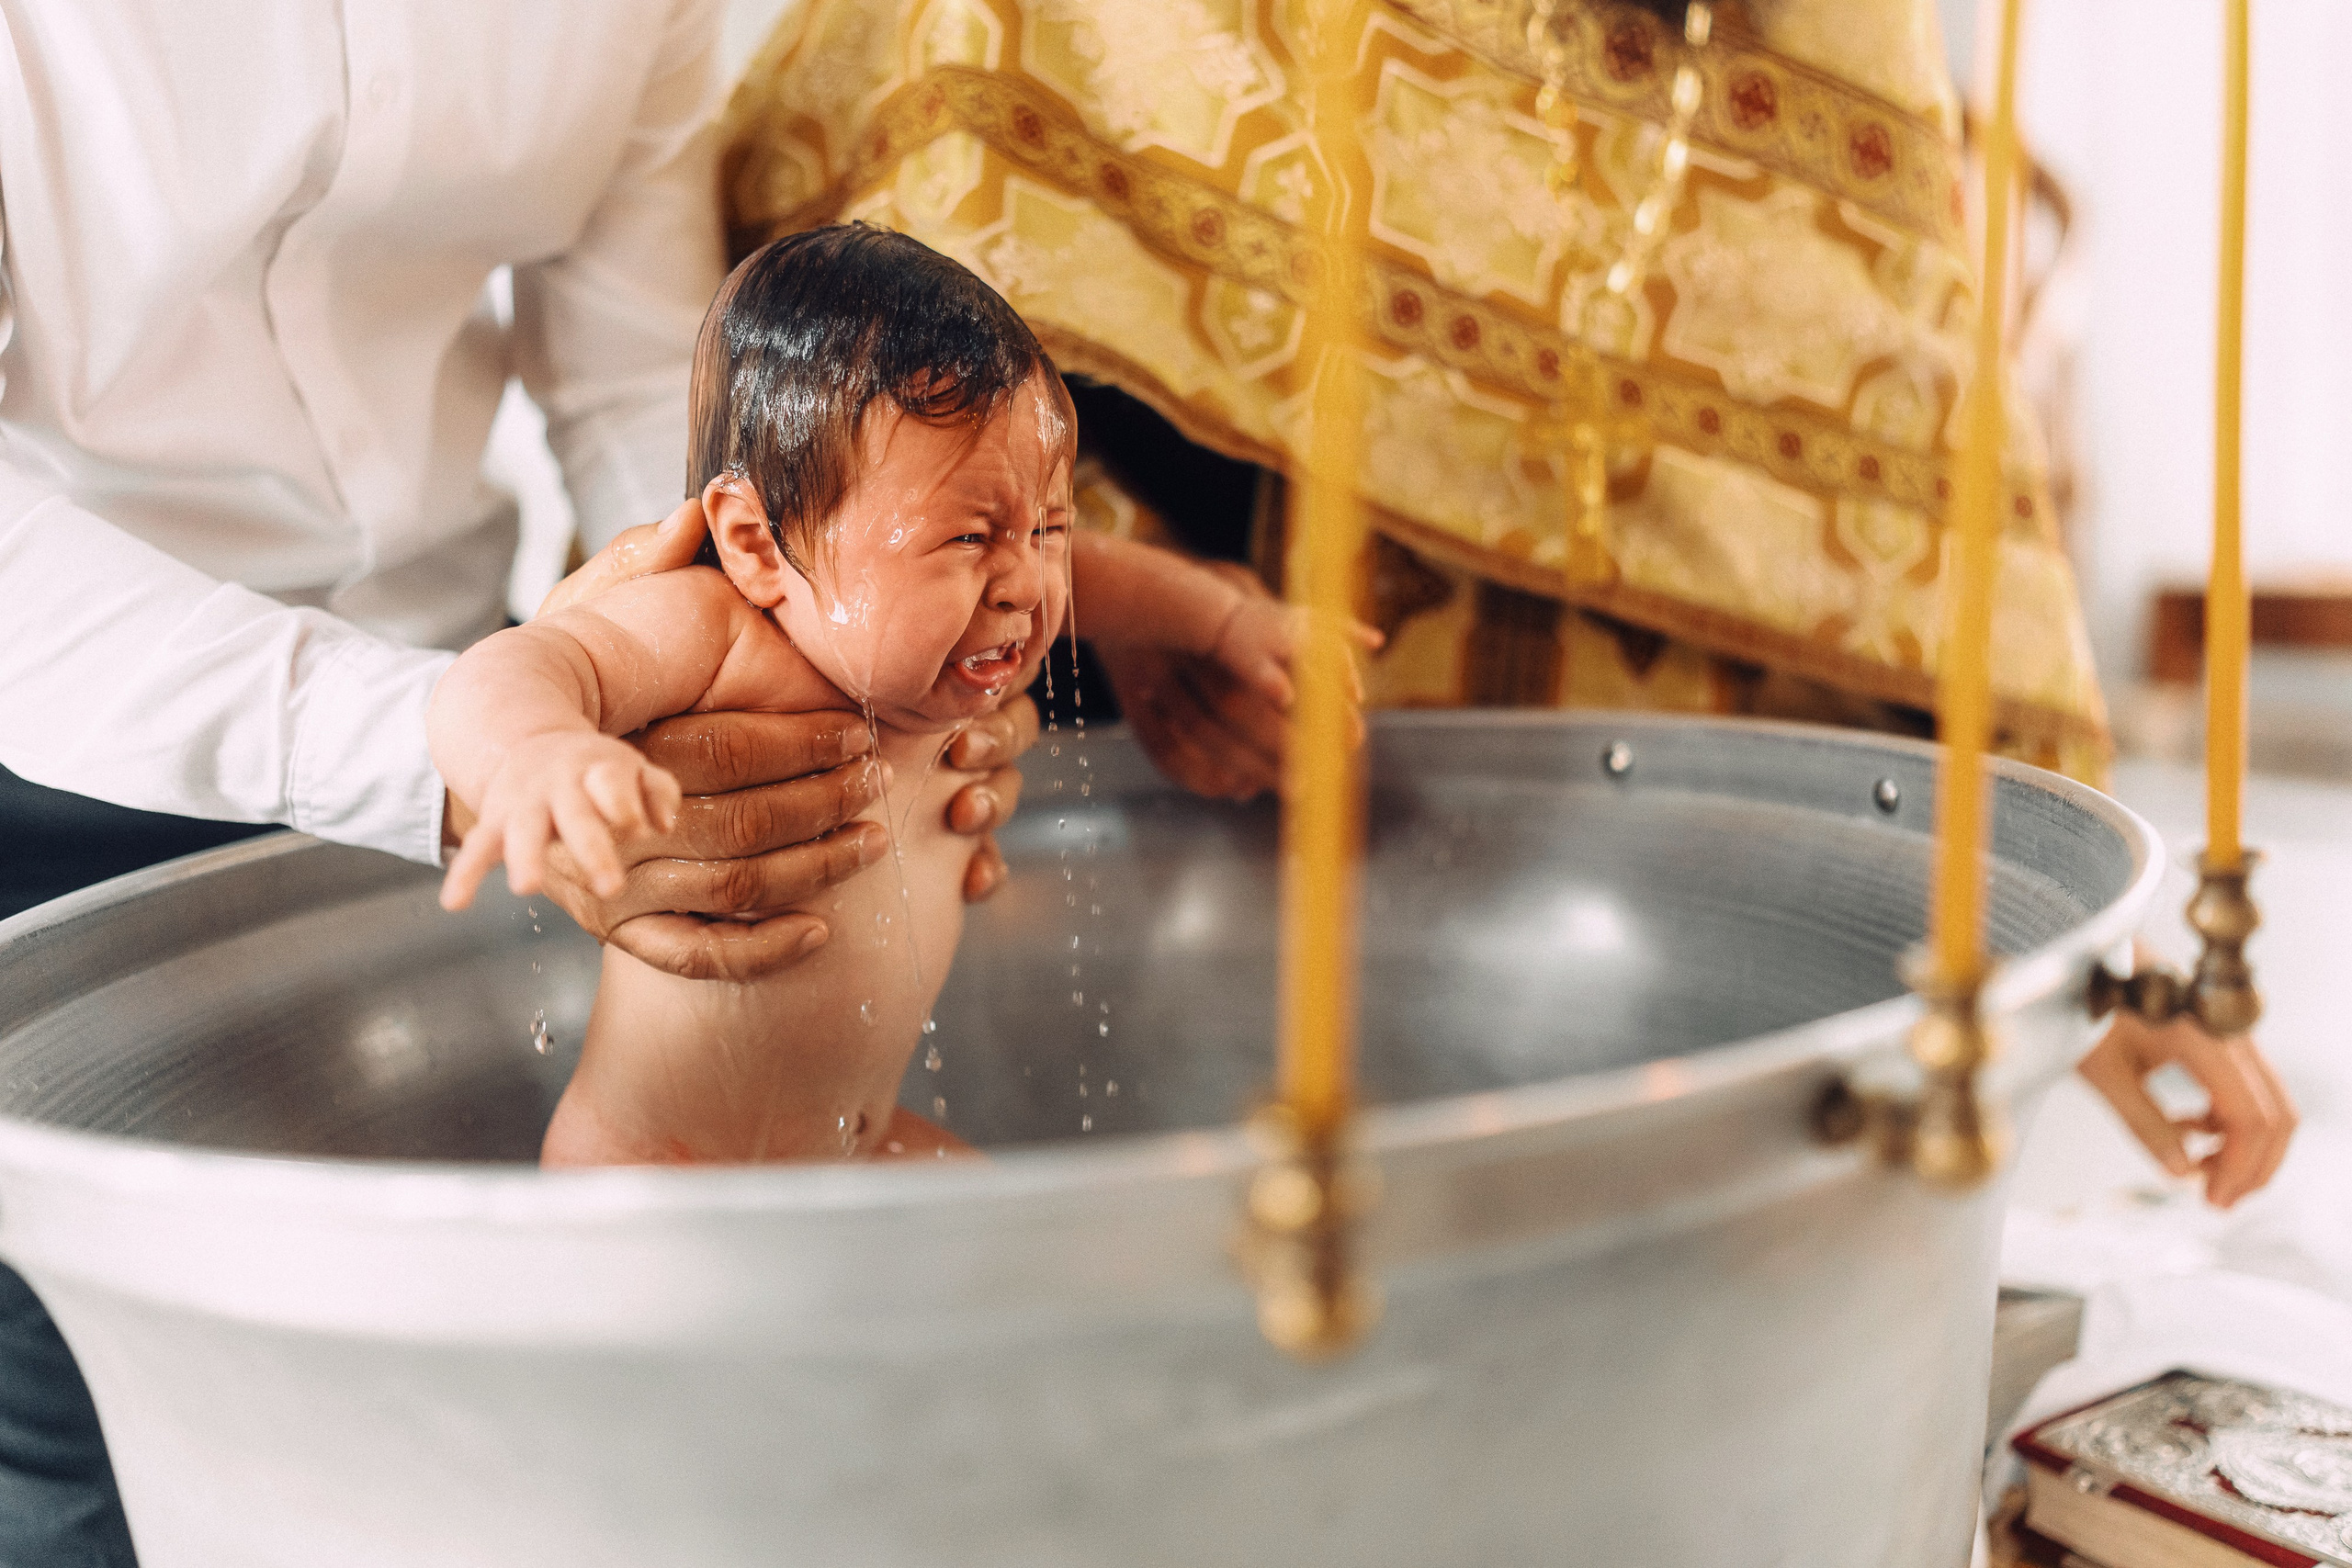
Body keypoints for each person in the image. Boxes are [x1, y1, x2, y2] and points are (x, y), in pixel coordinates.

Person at [716, 0, 2295, 1207]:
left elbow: (1930, 489)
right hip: (1230, 851)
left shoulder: (1826, 34)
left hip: (1703, 915)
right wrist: (1131, 592)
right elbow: (908, 260)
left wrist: (2068, 953)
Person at [0, 6, 1026, 1561]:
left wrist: (818, 663)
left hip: (482, 725)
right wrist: (499, 745)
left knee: (450, 1461)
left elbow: (637, 389)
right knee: (80, 1453)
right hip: (67, 743)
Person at [432, 226, 1360, 1166]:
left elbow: (1095, 572)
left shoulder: (956, 640)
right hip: (659, 1172)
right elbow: (504, 672)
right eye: (965, 540)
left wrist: (1222, 624)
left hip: (849, 1148)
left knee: (1030, 1258)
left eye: (1042, 527)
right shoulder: (711, 634)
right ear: (755, 545)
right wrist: (539, 752)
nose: (1024, 584)